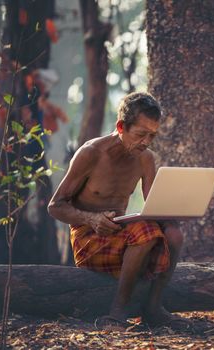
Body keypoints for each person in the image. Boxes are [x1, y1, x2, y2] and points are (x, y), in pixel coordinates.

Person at [48, 92, 185, 329]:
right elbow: (55, 206)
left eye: (152, 136)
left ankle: (153, 307)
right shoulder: (91, 153)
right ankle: (117, 313)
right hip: (90, 239)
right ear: (121, 126)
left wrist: (174, 211)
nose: (146, 142)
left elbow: (154, 205)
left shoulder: (145, 159)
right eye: (141, 134)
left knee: (174, 233)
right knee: (145, 231)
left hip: (123, 236)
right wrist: (90, 219)